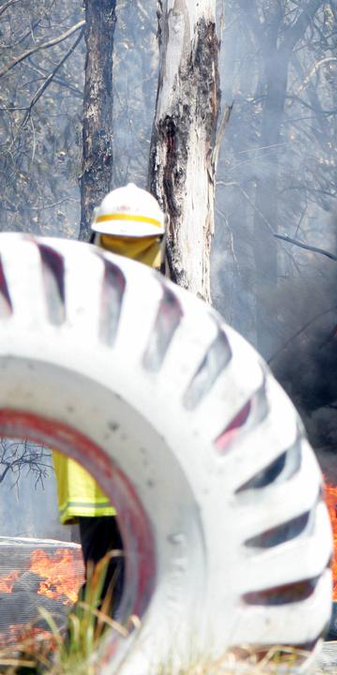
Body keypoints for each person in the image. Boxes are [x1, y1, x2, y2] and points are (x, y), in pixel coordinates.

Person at [52, 183, 167, 609]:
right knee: (127, 591)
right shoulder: (162, 307)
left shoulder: (70, 297)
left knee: (106, 584)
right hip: (130, 471)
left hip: (89, 472)